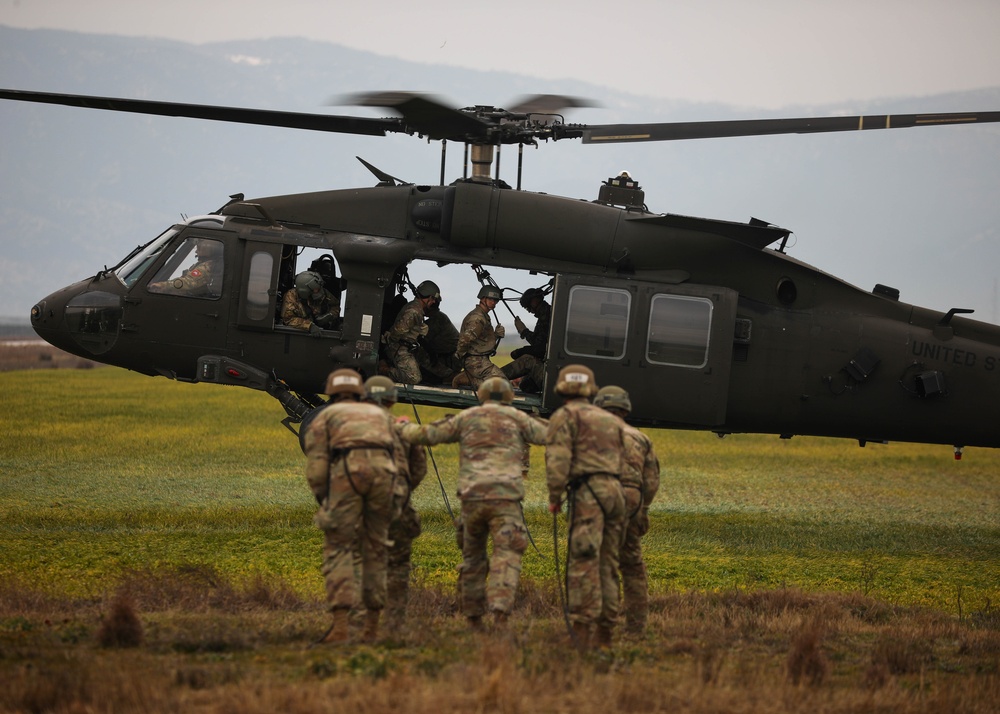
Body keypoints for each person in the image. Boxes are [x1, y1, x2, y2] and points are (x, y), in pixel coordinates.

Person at [402, 376, 547, 631]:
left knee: (473, 558)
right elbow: (551, 435)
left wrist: (401, 428)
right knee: (507, 554)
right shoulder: (518, 419)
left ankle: (473, 617)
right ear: (509, 397)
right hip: (505, 501)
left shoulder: (467, 418)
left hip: (472, 500)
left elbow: (428, 435)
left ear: (481, 395)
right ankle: (500, 613)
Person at [303, 368, 398, 645]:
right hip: (384, 477)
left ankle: (341, 627)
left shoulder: (326, 417)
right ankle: (371, 628)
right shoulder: (381, 415)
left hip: (348, 472)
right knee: (376, 548)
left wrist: (325, 500)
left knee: (339, 548)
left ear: (331, 392)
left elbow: (317, 469)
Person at [545, 364, 626, 650]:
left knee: (583, 560)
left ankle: (581, 630)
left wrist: (555, 497)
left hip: (588, 493)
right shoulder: (609, 419)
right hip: (615, 493)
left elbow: (557, 461)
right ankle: (606, 633)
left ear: (562, 388)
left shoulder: (564, 416)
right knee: (608, 562)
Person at [593, 385, 661, 636]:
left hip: (598, 498)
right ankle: (635, 627)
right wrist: (643, 509)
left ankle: (601, 623)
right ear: (625, 409)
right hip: (631, 501)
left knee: (600, 561)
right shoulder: (640, 438)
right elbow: (651, 481)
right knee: (632, 565)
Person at [362, 375, 427, 630]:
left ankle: (366, 622)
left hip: (359, 503)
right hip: (395, 502)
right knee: (398, 565)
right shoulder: (402, 428)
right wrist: (401, 491)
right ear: (391, 400)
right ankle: (394, 625)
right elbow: (419, 469)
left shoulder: (347, 426)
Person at [383, 280, 441, 384]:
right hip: (399, 348)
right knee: (414, 378)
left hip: (407, 347)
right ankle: (385, 371)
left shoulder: (417, 309)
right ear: (426, 296)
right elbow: (398, 332)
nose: (433, 302)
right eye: (432, 299)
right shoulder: (414, 311)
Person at [452, 285, 506, 389]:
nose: (493, 302)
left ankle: (470, 378)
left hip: (479, 360)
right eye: (491, 299)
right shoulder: (478, 318)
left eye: (496, 300)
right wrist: (460, 357)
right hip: (476, 361)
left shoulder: (483, 315)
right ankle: (470, 379)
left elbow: (481, 341)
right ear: (482, 298)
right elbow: (464, 341)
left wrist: (495, 335)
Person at [502, 287, 551, 393]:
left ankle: (489, 378)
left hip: (552, 374)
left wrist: (522, 350)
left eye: (528, 307)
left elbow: (541, 348)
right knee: (525, 384)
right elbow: (540, 342)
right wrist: (524, 331)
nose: (529, 311)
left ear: (534, 302)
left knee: (527, 360)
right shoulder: (548, 314)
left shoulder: (547, 316)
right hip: (551, 371)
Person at [148, 238, 222, 295]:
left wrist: (164, 285)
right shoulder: (203, 264)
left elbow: (188, 282)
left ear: (208, 249)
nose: (196, 251)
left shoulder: (207, 267)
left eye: (198, 248)